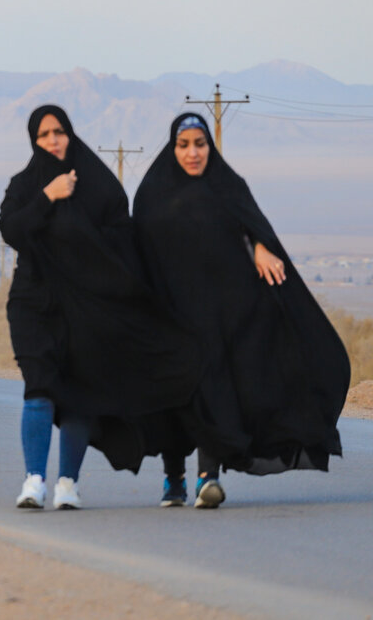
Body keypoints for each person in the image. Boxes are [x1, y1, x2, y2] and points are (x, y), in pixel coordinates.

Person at [134, 113, 350, 508]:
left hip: (220, 314)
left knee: (213, 389)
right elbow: (139, 253)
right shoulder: (152, 193)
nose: (193, 152)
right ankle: (173, 479)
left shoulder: (227, 185)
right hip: (169, 314)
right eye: (184, 145)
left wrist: (261, 246)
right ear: (173, 147)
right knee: (173, 401)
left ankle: (207, 479)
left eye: (200, 144)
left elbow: (251, 225)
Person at [0, 105, 201, 510]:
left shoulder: (99, 184)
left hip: (88, 306)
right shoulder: (24, 185)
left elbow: (122, 236)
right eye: (43, 135)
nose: (52, 140)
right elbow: (11, 230)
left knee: (78, 394)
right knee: (38, 388)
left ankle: (67, 484)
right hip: (34, 302)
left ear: (70, 134)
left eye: (59, 132)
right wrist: (47, 197)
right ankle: (34, 481)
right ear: (33, 141)